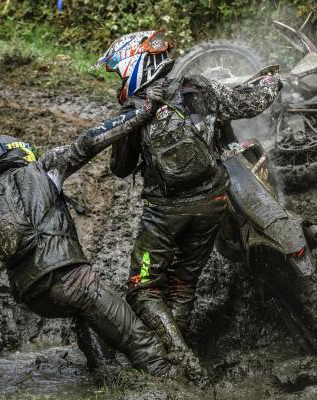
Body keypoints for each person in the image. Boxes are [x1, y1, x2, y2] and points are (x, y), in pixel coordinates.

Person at [0, 85, 179, 378]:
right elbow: (90, 142)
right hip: (73, 280)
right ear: (18, 151)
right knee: (142, 343)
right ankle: (170, 386)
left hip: (34, 297)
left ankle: (104, 375)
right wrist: (144, 111)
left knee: (84, 314)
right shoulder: (43, 167)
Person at [95, 31, 282, 368]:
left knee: (143, 286)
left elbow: (120, 169)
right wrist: (271, 83)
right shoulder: (197, 86)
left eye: (119, 71)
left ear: (134, 66)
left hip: (164, 214)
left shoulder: (135, 110)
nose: (119, 78)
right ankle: (179, 346)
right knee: (183, 283)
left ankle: (176, 357)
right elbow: (248, 103)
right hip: (212, 204)